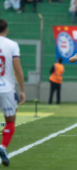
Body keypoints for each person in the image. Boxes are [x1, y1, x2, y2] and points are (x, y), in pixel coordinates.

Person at [0, 19, 26, 166]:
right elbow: (18, 70)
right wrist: (22, 90)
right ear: (7, 30)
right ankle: (3, 146)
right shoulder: (12, 45)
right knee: (10, 121)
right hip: (6, 89)